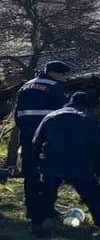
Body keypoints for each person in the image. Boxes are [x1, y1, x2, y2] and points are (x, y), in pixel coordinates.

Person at [31, 91, 100, 240]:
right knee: (94, 199)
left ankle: (38, 226)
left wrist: (39, 161)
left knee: (46, 196)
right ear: (86, 105)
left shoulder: (51, 116)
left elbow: (36, 141)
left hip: (52, 163)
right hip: (80, 165)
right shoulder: (89, 118)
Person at [10, 61, 71, 230]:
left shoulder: (26, 86)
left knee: (30, 174)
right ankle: (46, 210)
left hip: (28, 136)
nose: (65, 78)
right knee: (50, 174)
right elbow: (62, 114)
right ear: (55, 73)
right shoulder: (55, 87)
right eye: (63, 74)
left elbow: (17, 113)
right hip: (47, 138)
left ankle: (32, 210)